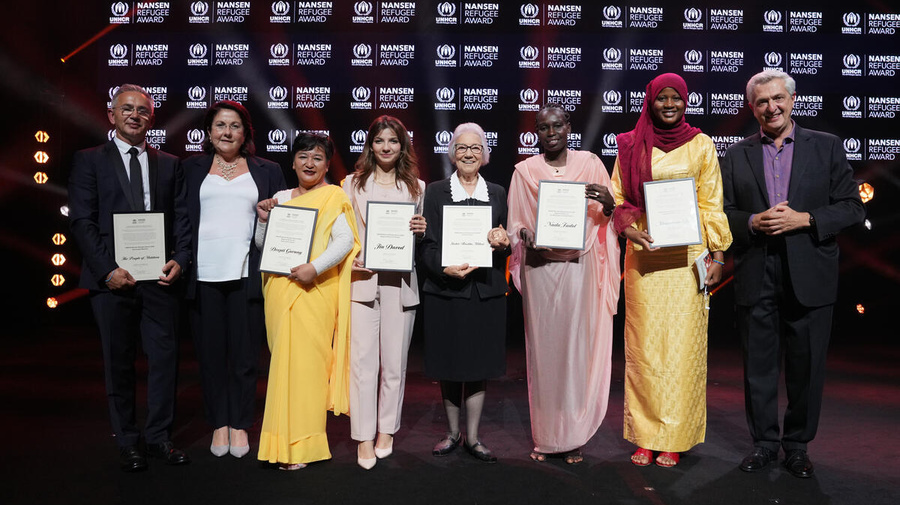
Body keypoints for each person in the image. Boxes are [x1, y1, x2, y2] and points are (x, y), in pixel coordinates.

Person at [722, 70, 864, 478]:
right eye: (763, 102)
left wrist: (806, 218)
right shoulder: (735, 154)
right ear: (752, 108)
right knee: (759, 367)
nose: (772, 107)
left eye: (779, 98)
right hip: (756, 270)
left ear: (793, 99)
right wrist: (751, 222)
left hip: (810, 272)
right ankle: (765, 443)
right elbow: (721, 214)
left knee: (806, 366)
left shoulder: (827, 147)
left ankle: (797, 445)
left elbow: (853, 207)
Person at [610, 73, 732, 468]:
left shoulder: (701, 145)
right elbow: (617, 198)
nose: (668, 105)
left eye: (675, 98)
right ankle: (646, 436)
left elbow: (711, 202)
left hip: (686, 259)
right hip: (645, 254)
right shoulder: (629, 143)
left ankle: (674, 438)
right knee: (644, 349)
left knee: (681, 350)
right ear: (650, 101)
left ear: (685, 102)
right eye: (661, 98)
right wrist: (629, 230)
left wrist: (717, 255)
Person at [68, 84, 191, 471]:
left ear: (151, 118)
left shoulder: (170, 163)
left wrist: (181, 259)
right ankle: (128, 441)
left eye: (142, 110)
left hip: (159, 279)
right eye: (127, 109)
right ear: (112, 115)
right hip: (111, 281)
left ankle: (158, 438)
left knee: (164, 360)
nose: (135, 115)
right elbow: (82, 222)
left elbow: (182, 221)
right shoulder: (89, 161)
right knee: (118, 363)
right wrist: (108, 270)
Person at [507, 104, 620, 465]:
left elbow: (607, 218)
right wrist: (526, 233)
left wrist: (609, 203)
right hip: (541, 269)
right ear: (535, 132)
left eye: (557, 124)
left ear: (569, 127)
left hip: (581, 268)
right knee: (545, 354)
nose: (551, 132)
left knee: (576, 353)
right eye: (543, 127)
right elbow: (515, 227)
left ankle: (574, 436)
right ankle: (548, 436)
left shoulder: (590, 164)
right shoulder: (524, 172)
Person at [182, 101, 286, 458]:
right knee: (211, 357)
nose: (227, 132)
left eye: (235, 126)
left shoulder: (267, 170)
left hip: (247, 275)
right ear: (208, 131)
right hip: (204, 275)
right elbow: (182, 219)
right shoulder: (190, 168)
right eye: (220, 125)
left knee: (244, 357)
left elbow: (284, 223)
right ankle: (219, 423)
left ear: (246, 133)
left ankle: (240, 424)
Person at [254, 132, 360, 470]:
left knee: (309, 370)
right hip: (280, 290)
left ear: (328, 164)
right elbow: (261, 245)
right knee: (282, 368)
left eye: (317, 158)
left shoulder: (334, 196)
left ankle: (304, 446)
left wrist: (314, 268)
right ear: (293, 161)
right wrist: (262, 220)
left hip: (315, 292)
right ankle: (278, 444)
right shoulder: (280, 198)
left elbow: (344, 242)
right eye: (303, 156)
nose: (309, 163)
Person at [419, 122, 510, 463]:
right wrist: (443, 268)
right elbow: (427, 245)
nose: (469, 153)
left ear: (485, 154)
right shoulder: (435, 191)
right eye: (461, 148)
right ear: (452, 154)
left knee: (478, 365)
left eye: (475, 148)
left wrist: (503, 242)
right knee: (448, 363)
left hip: (484, 291)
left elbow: (504, 240)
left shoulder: (498, 192)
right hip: (446, 289)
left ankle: (473, 437)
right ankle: (452, 433)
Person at [342, 116, 427, 470]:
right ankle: (363, 436)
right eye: (380, 141)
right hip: (363, 281)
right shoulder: (350, 185)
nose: (387, 147)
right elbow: (341, 234)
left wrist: (421, 231)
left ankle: (386, 431)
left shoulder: (417, 188)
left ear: (403, 146)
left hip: (401, 284)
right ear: (370, 146)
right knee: (362, 364)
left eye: (393, 141)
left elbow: (418, 240)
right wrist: (353, 256)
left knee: (394, 364)